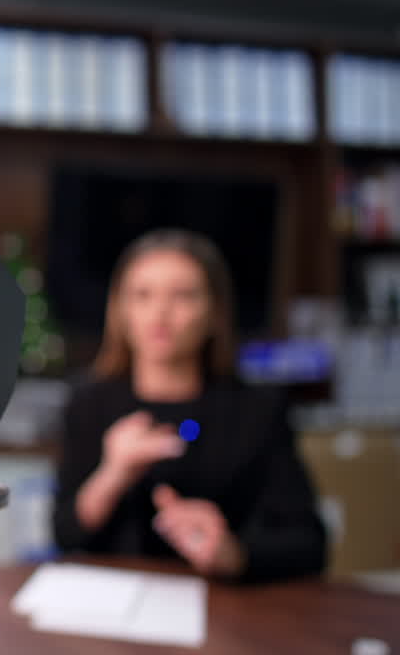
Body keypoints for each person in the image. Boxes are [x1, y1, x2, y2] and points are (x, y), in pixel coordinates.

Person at [52, 229, 326, 582]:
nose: (160, 313)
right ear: (120, 310)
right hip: (110, 608)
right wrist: (112, 475)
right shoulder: (89, 403)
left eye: (183, 296)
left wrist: (233, 553)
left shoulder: (258, 410)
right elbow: (64, 535)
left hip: (228, 609)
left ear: (215, 311)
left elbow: (310, 544)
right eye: (142, 295)